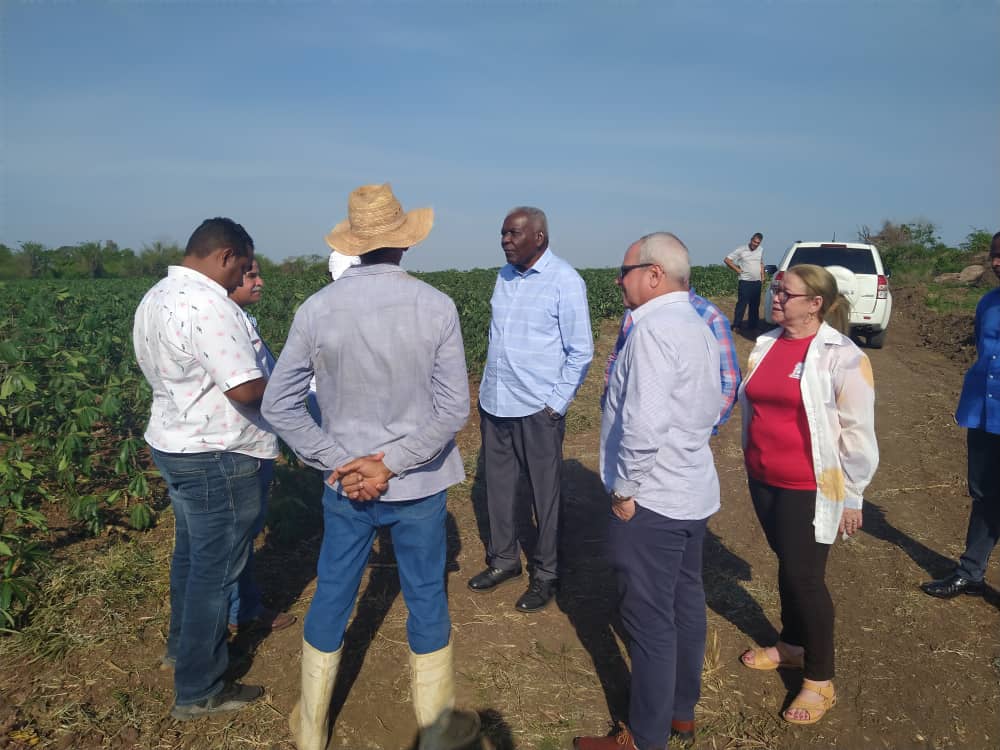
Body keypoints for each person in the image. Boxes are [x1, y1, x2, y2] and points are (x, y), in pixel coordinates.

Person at [261, 184, 476, 750]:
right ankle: (436, 734)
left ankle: (311, 728)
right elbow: (455, 407)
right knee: (427, 594)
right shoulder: (436, 306)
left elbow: (278, 404)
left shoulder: (317, 308)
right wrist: (394, 464)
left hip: (345, 488)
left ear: (354, 245)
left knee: (333, 589)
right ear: (405, 244)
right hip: (420, 485)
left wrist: (342, 462)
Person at [574, 233, 721, 750]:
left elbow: (644, 423)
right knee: (684, 600)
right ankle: (680, 712)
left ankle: (644, 737)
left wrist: (624, 490)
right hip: (690, 489)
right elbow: (715, 402)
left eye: (626, 269)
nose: (619, 279)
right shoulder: (699, 325)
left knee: (648, 618)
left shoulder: (653, 330)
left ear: (654, 274)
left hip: (653, 499)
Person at [132, 217, 277, 720]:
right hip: (217, 450)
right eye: (240, 266)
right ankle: (199, 688)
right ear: (225, 256)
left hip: (175, 441)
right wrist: (287, 386)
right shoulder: (208, 304)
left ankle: (181, 648)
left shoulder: (156, 296)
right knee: (216, 573)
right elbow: (243, 388)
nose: (241, 276)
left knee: (191, 557)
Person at [737, 264, 878, 726]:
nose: (775, 298)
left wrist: (853, 496)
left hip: (810, 486)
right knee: (791, 567)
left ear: (815, 303)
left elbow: (858, 432)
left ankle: (820, 679)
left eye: (786, 293)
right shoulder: (767, 343)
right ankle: (792, 645)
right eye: (776, 290)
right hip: (764, 478)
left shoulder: (842, 355)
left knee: (806, 579)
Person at [468, 206, 594, 613]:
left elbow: (581, 351)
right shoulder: (503, 278)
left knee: (545, 494)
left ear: (538, 237)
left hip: (538, 409)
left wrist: (555, 405)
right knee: (498, 489)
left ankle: (546, 573)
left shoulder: (565, 281)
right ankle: (504, 561)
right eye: (503, 233)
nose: (505, 240)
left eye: (514, 234)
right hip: (497, 402)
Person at [921, 231, 1000, 599]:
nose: (995, 262)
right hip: (986, 415)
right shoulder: (988, 303)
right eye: (993, 255)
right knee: (985, 495)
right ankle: (971, 572)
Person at [226, 260, 297, 635]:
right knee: (235, 536)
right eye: (251, 275)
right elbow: (247, 390)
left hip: (251, 439)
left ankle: (245, 605)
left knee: (245, 531)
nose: (260, 282)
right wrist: (290, 396)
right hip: (236, 443)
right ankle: (235, 612)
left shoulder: (239, 318)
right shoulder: (222, 323)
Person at [602, 283, 741, 431]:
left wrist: (704, 424)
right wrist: (609, 404)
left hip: (684, 436)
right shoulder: (635, 313)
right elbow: (617, 357)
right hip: (631, 425)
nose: (618, 280)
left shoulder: (709, 316)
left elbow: (729, 379)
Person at [724, 232, 765, 332]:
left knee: (755, 305)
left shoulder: (760, 250)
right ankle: (736, 325)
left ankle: (753, 326)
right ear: (751, 240)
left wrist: (763, 276)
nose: (755, 244)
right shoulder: (741, 249)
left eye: (758, 243)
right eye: (754, 242)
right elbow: (727, 260)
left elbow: (761, 262)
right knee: (742, 304)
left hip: (757, 281)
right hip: (745, 281)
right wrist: (737, 269)